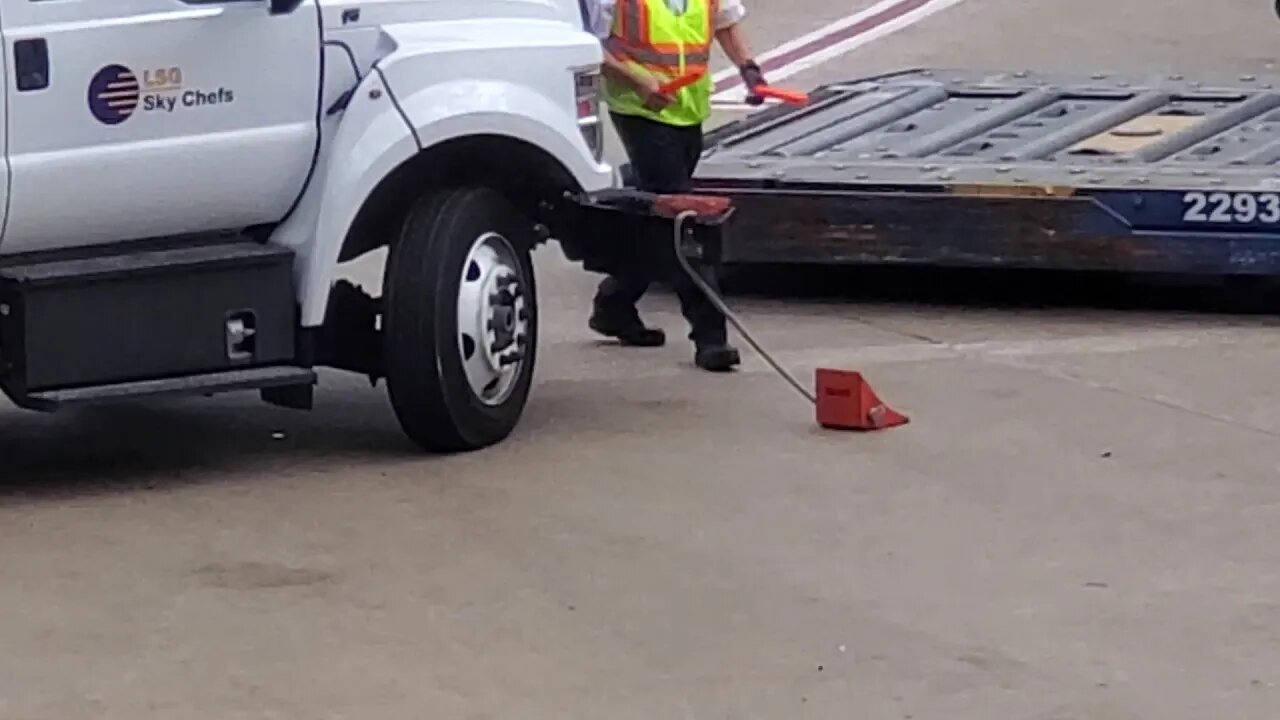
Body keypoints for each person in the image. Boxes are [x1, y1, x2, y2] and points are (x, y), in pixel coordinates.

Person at [585, 0, 767, 372]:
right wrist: (637, 81)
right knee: (682, 218)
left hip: (688, 106)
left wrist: (749, 69)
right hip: (640, 108)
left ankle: (615, 304)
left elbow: (726, 21)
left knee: (653, 215)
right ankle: (710, 337)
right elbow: (588, 44)